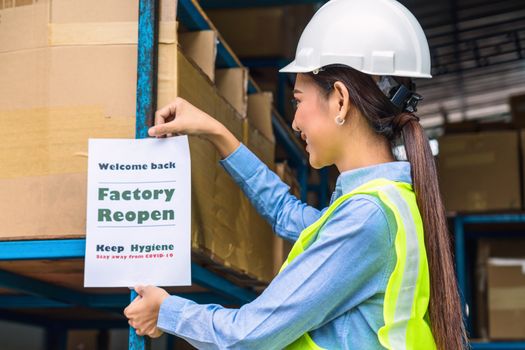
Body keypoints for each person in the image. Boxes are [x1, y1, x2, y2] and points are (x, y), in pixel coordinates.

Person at [124, 0, 468, 348]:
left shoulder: (367, 218)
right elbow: (287, 214)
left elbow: (247, 335)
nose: (295, 121)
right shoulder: (384, 204)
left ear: (340, 101)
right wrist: (218, 133)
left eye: (299, 101)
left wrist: (165, 311)